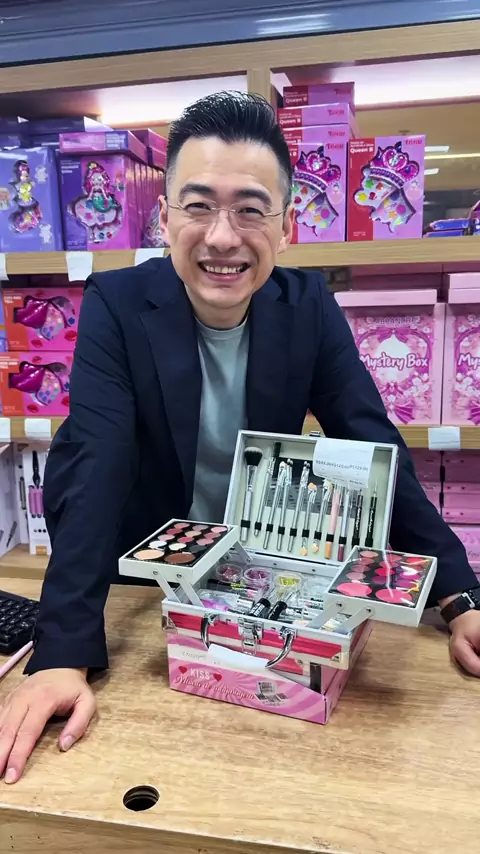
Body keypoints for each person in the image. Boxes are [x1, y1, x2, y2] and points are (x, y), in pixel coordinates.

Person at [1, 92, 479, 783]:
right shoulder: (117, 303)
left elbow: (373, 444)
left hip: (257, 580)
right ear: (165, 219)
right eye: (198, 206)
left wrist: (460, 594)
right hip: (147, 583)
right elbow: (97, 462)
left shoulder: (307, 307)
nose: (223, 238)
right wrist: (61, 653)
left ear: (287, 227)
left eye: (251, 210)